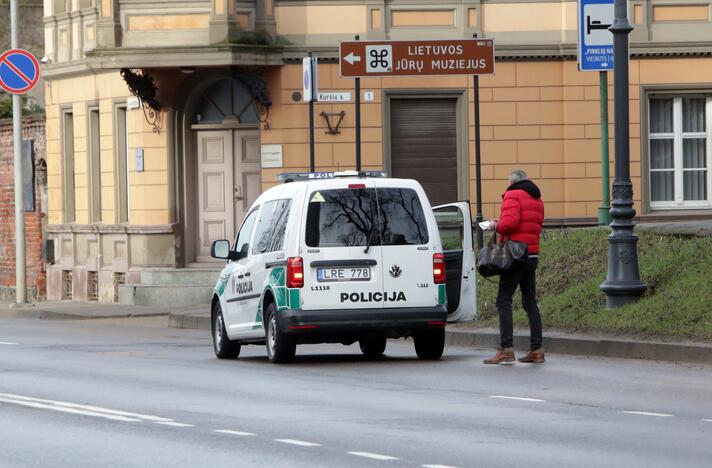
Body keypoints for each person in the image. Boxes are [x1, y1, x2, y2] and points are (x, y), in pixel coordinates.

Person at [483, 169, 545, 365]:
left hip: (515, 256)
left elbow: (510, 224)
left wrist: (496, 225)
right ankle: (537, 349)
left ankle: (506, 349)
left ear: (512, 182)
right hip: (531, 254)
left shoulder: (512, 194)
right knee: (529, 302)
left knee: (503, 300)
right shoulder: (537, 198)